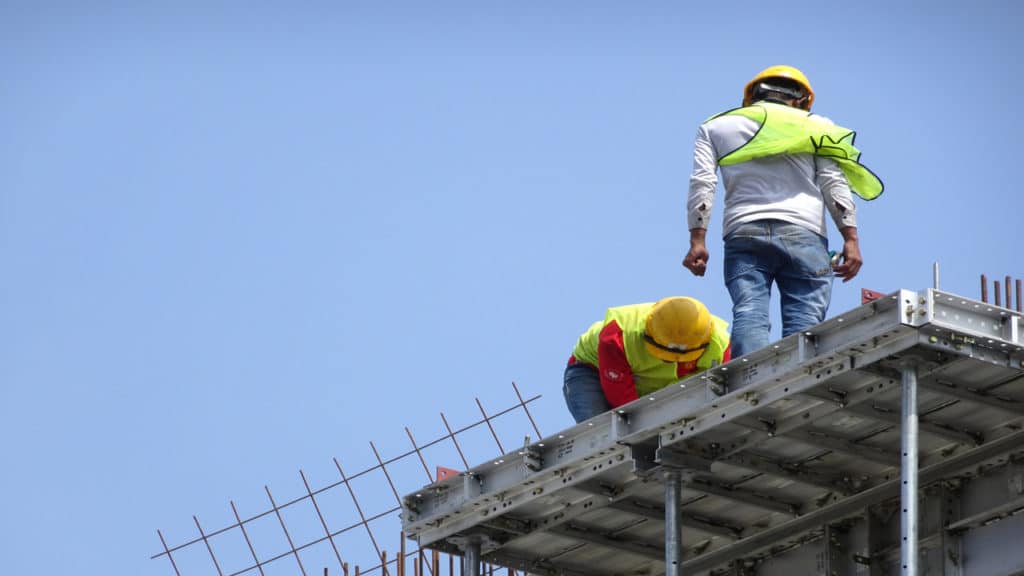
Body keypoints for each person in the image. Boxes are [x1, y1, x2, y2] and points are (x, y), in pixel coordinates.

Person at [682, 65, 882, 358]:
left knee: (749, 311)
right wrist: (851, 239)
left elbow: (702, 183)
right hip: (805, 234)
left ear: (752, 96)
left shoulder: (716, 127)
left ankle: (750, 382)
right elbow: (833, 184)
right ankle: (797, 383)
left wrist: (698, 240)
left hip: (744, 231)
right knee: (804, 324)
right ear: (802, 99)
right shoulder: (817, 126)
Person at [563, 296, 731, 423]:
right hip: (592, 372)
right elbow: (624, 405)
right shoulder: (618, 337)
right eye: (667, 357)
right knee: (602, 437)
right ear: (649, 334)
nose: (674, 361)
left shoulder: (720, 345)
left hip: (653, 386)